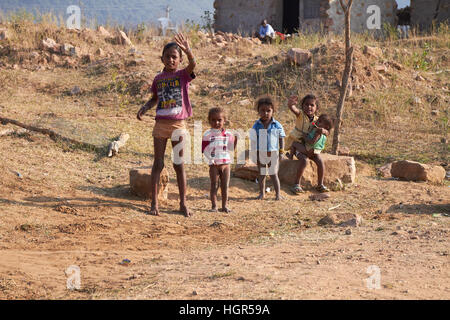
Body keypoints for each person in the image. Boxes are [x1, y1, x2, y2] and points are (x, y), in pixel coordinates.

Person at [136, 33, 196, 217]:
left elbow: (193, 66)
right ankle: (154, 202)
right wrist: (145, 107)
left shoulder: (183, 75)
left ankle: (183, 203)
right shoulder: (158, 78)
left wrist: (189, 51)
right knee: (158, 163)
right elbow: (155, 98)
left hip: (178, 125)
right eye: (167, 56)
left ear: (180, 60)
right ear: (162, 58)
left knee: (179, 164)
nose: (171, 59)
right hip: (161, 124)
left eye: (174, 57)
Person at [285, 94, 330, 194]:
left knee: (320, 162)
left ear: (316, 107)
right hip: (300, 145)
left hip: (311, 148)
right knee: (304, 161)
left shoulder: (318, 120)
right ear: (302, 106)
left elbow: (327, 131)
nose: (309, 107)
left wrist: (323, 131)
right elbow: (294, 109)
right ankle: (296, 184)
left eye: (312, 105)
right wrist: (291, 104)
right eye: (306, 104)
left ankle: (320, 184)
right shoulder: (300, 115)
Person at [202, 107, 237, 213]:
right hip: (214, 165)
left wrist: (236, 140)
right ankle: (214, 206)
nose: (216, 122)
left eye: (219, 120)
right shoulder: (207, 135)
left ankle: (224, 206)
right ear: (209, 121)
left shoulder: (228, 135)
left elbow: (231, 149)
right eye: (213, 120)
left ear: (224, 120)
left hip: (226, 164)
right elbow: (204, 149)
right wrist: (210, 158)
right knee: (214, 185)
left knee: (225, 186)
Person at [251, 95, 286, 200]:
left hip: (273, 154)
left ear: (273, 111)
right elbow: (253, 139)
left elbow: (281, 138)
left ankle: (278, 194)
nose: (265, 113)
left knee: (273, 174)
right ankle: (262, 194)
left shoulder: (277, 125)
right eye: (262, 110)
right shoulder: (256, 125)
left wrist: (281, 152)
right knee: (261, 175)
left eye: (268, 110)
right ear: (258, 111)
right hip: (260, 154)